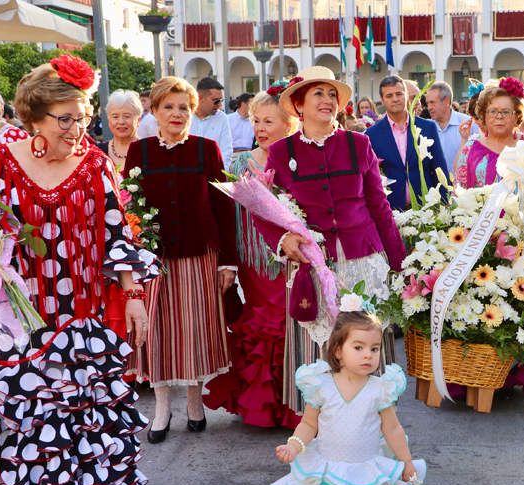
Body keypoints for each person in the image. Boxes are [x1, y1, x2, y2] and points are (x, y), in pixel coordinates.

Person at [0, 55, 157, 485]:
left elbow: (113, 232)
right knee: (30, 406)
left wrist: (132, 294)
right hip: (21, 307)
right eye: (66, 118)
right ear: (34, 117)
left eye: (83, 116)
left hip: (78, 305)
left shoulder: (95, 162)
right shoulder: (0, 158)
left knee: (77, 405)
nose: (78, 127)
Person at [257, 66, 405, 413]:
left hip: (362, 265)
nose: (327, 100)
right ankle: (322, 435)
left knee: (365, 351)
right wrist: (284, 240)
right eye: (318, 94)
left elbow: (379, 207)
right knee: (320, 357)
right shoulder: (281, 152)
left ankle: (372, 433)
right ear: (299, 104)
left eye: (332, 94)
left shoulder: (358, 143)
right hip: (312, 267)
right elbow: (264, 210)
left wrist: (400, 264)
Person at [122, 76, 238, 444]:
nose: (176, 114)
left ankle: (194, 400)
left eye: (183, 108)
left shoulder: (207, 150)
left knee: (194, 330)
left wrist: (228, 262)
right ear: (153, 111)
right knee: (155, 331)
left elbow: (224, 209)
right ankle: (161, 407)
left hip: (198, 254)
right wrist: (133, 259)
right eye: (168, 107)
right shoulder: (139, 153)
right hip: (152, 258)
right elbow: (129, 209)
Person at [257, 310, 426, 485]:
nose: (368, 355)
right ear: (338, 350)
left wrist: (406, 461)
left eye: (374, 348)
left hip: (365, 472)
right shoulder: (321, 385)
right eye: (358, 347)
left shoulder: (381, 389)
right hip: (328, 473)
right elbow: (309, 424)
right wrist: (294, 445)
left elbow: (393, 429)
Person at [203, 86, 301, 429]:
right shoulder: (240, 163)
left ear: (288, 124)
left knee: (290, 327)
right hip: (252, 261)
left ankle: (291, 404)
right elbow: (227, 215)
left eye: (268, 121)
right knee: (261, 324)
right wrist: (228, 262)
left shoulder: (296, 160)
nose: (259, 128)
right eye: (256, 121)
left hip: (289, 260)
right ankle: (262, 403)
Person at [365, 75, 448, 210]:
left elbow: (440, 169)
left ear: (406, 95)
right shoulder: (372, 135)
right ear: (382, 100)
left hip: (428, 209)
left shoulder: (428, 128)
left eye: (399, 94)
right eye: (389, 95)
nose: (395, 99)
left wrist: (444, 205)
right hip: (391, 210)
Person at [456, 78, 524, 189]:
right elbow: (459, 190)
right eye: (493, 111)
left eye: (505, 112)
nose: (499, 116)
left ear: (516, 116)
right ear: (483, 116)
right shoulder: (470, 147)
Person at [190, 76, 233, 169]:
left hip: (214, 175)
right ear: (200, 98)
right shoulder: (185, 117)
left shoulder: (222, 118)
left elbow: (226, 152)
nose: (220, 105)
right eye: (216, 101)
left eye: (221, 101)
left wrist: (221, 175)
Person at [426, 80, 471, 168]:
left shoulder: (468, 124)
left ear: (446, 101)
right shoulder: (425, 127)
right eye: (427, 103)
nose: (429, 108)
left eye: (432, 102)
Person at [96, 89, 143, 170]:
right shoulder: (98, 153)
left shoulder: (150, 151)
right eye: (115, 116)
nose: (121, 122)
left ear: (138, 120)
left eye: (127, 116)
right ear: (109, 120)